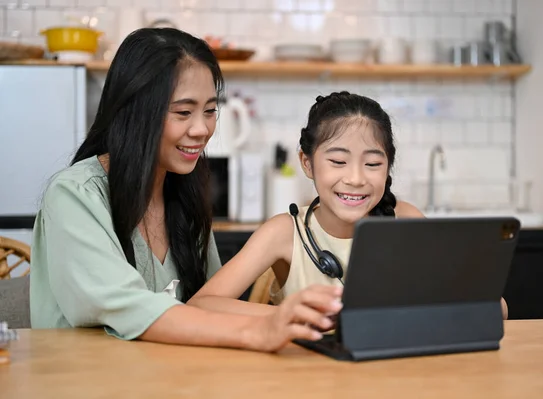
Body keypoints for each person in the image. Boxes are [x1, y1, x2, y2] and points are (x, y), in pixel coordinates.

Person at [29, 27, 342, 353]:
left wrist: (293, 318)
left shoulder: (183, 194)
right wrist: (259, 330)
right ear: (135, 112)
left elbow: (209, 303)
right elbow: (128, 308)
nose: (202, 129)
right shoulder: (74, 195)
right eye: (183, 112)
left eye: (209, 111)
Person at [192, 91, 509, 320]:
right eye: (338, 161)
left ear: (388, 167)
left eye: (372, 164)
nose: (356, 178)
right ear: (307, 162)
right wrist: (281, 314)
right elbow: (201, 305)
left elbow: (496, 306)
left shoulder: (407, 220)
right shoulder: (283, 232)